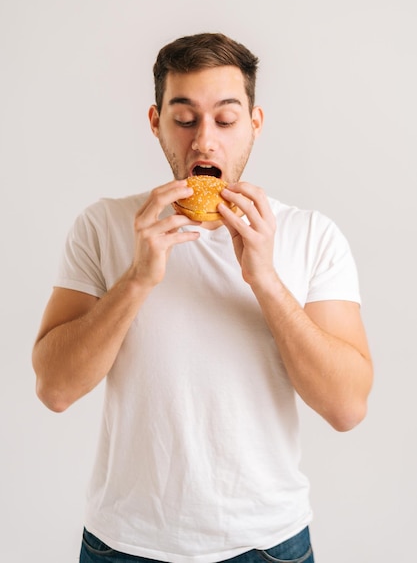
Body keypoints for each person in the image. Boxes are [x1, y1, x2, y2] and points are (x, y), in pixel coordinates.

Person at [32, 32, 373, 563]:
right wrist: (138, 280)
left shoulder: (311, 235)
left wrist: (264, 279)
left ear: (254, 124)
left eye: (227, 119)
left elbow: (347, 407)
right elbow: (54, 388)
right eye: (185, 119)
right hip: (122, 544)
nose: (205, 142)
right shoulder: (103, 226)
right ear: (156, 122)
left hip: (268, 545)